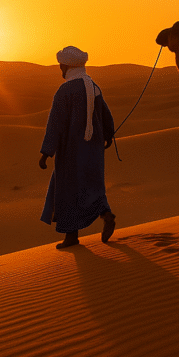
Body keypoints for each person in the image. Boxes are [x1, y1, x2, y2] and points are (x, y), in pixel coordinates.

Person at [39, 46, 117, 249]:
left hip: (71, 152)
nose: (60, 69)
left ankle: (71, 237)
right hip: (93, 150)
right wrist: (108, 134)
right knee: (93, 185)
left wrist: (46, 152)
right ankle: (106, 214)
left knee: (67, 190)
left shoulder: (65, 91)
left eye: (61, 66)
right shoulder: (93, 86)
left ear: (67, 66)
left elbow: (55, 123)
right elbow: (106, 114)